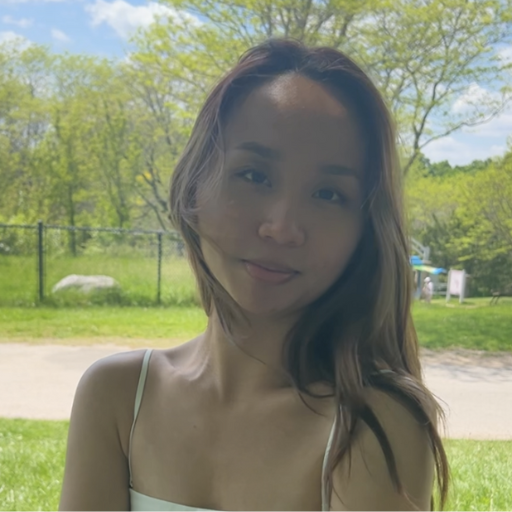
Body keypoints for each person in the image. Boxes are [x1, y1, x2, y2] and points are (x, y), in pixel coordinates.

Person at [59, 39, 449, 511]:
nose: (282, 227)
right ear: (194, 186)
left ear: (364, 232)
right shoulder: (118, 395)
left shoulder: (374, 424)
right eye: (254, 175)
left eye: (328, 194)